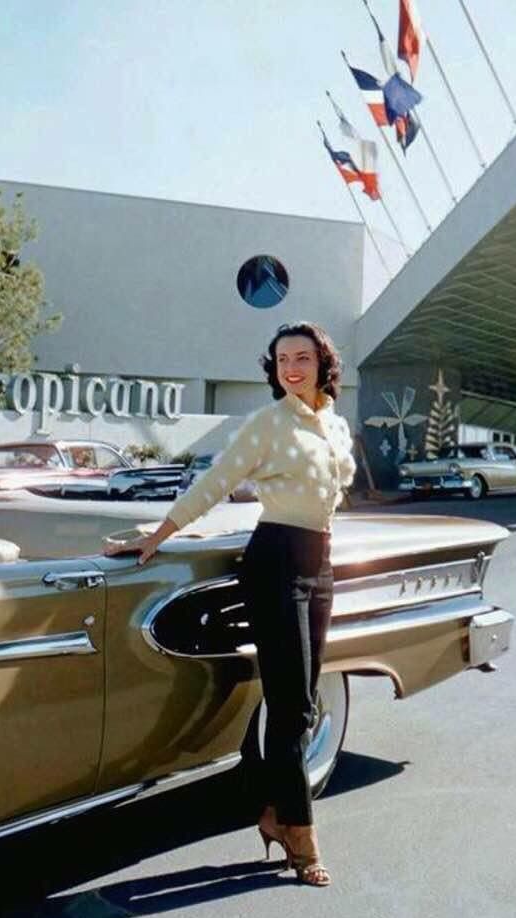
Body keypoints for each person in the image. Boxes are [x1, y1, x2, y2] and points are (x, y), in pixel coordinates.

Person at [103, 322, 356, 887]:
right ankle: (300, 830)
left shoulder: (334, 423)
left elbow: (334, 492)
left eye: (303, 358)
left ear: (322, 363)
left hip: (320, 562)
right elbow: (213, 484)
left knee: (305, 699)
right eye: (283, 359)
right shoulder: (266, 424)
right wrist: (156, 535)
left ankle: (271, 810)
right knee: (291, 706)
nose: (292, 368)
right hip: (275, 562)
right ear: (274, 367)